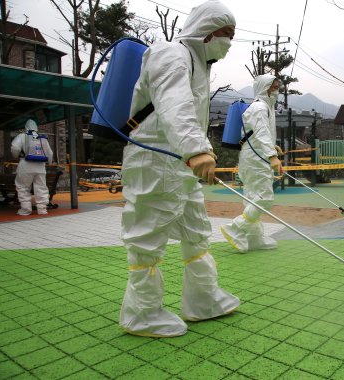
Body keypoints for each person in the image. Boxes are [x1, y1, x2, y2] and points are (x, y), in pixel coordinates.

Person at [119, 0, 239, 338]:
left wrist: (196, 152)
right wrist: (198, 149)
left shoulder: (200, 66)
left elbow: (189, 112)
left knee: (196, 230)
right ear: (204, 30)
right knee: (147, 235)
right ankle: (141, 313)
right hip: (153, 159)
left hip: (181, 162)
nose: (227, 42)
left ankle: (203, 300)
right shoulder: (170, 53)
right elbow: (174, 103)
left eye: (231, 36)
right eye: (223, 33)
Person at [220, 74, 282, 253]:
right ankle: (235, 228)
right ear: (265, 88)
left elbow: (257, 133)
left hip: (254, 156)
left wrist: (273, 147)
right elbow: (261, 132)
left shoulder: (266, 108)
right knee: (265, 198)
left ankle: (253, 238)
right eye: (274, 87)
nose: (276, 91)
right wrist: (272, 156)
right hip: (256, 159)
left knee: (252, 197)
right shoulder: (259, 107)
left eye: (278, 87)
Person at [10, 119, 53, 216]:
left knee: (23, 187)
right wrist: (49, 162)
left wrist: (15, 156)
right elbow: (50, 153)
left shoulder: (22, 136)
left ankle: (25, 210)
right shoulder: (42, 138)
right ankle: (42, 209)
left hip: (26, 164)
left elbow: (15, 148)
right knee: (41, 187)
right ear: (36, 128)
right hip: (40, 166)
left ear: (25, 127)